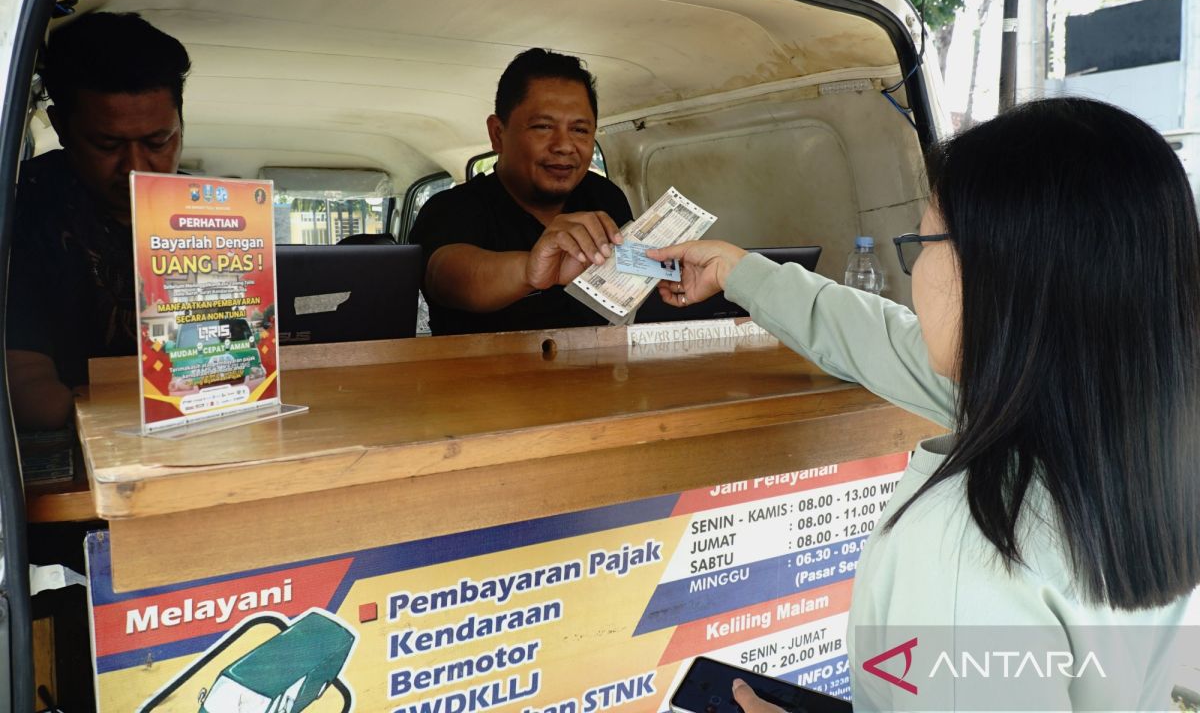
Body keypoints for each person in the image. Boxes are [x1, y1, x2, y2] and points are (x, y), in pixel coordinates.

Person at [650, 98, 1200, 711]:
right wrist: (740, 273)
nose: (914, 270)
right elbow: (883, 341)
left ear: (997, 273)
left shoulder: (973, 549)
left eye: (923, 239)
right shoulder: (1146, 438)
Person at [6, 12, 190, 431]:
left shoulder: (213, 215)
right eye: (107, 144)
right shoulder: (21, 213)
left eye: (158, 141)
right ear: (61, 128)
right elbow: (26, 389)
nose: (135, 166)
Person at [409, 48, 632, 335]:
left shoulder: (604, 197)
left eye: (579, 130)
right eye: (542, 127)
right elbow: (446, 276)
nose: (564, 145)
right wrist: (531, 269)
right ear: (498, 134)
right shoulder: (452, 208)